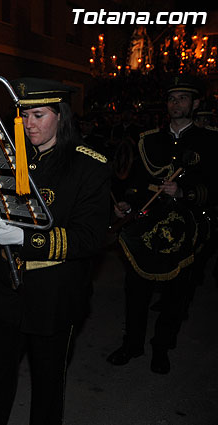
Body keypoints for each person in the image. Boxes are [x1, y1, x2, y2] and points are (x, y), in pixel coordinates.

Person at [0, 78, 111, 425]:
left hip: (55, 294)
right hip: (6, 290)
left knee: (48, 386)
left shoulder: (88, 166)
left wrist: (26, 239)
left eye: (38, 114)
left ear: (61, 116)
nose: (28, 124)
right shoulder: (9, 159)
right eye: (23, 115)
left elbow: (90, 238)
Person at [107, 74, 216, 374]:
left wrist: (185, 192)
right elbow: (137, 184)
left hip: (185, 229)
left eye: (182, 98)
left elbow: (214, 188)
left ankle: (161, 348)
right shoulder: (149, 139)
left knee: (175, 294)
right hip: (147, 227)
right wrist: (127, 202)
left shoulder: (210, 141)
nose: (175, 103)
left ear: (195, 103)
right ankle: (133, 345)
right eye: (171, 98)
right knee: (136, 289)